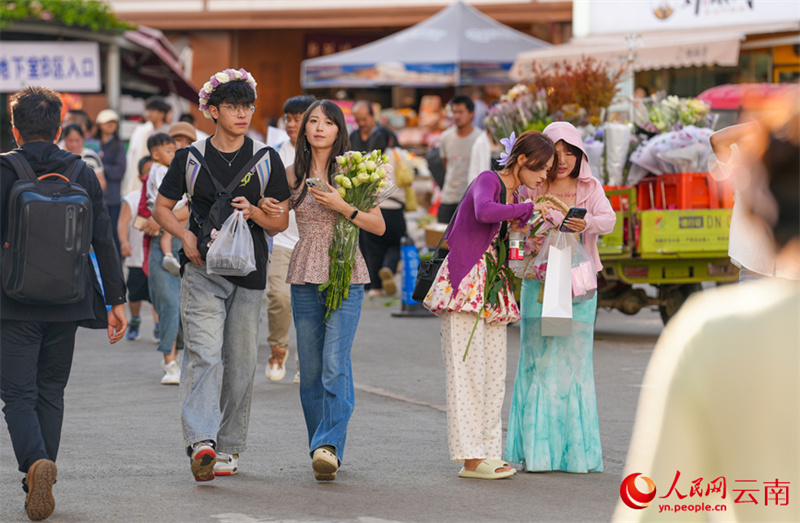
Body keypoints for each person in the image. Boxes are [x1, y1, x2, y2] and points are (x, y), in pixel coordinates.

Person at [612, 104, 799, 523]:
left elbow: (659, 508)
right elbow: (718, 142)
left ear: (754, 200)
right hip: (759, 269)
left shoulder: (709, 330)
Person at [154, 67, 290, 481]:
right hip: (201, 270)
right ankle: (202, 441)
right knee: (204, 354)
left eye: (247, 106)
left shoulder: (267, 159)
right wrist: (184, 236)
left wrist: (258, 214)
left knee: (242, 361)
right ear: (212, 111)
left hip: (250, 273)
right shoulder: (189, 158)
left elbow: (281, 223)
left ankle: (229, 447)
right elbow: (161, 208)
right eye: (232, 107)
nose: (242, 114)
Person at [1, 86, 127, 521]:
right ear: (59, 128)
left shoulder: (4, 170)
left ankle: (35, 464)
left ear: (15, 127)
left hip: (11, 302)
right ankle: (38, 474)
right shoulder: (81, 171)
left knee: (18, 393)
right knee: (50, 392)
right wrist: (116, 300)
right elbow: (103, 239)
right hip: (69, 301)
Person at [422, 130, 558, 480]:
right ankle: (470, 459)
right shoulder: (488, 179)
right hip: (466, 281)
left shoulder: (516, 195)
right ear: (522, 160)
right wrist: (529, 207)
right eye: (542, 169)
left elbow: (511, 245)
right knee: (466, 373)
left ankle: (488, 452)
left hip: (495, 289)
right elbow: (483, 211)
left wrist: (530, 224)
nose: (544, 177)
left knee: (494, 374)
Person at [280, 99, 385, 481]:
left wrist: (344, 205)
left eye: (328, 122)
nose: (319, 127)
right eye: (313, 121)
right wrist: (259, 209)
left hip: (347, 270)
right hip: (305, 271)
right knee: (309, 369)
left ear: (340, 130)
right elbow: (277, 221)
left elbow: (378, 226)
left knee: (334, 363)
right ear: (303, 129)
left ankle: (330, 444)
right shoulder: (292, 174)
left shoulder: (354, 170)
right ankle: (319, 448)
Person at [505, 122, 616, 474]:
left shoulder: (590, 186)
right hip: (538, 287)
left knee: (574, 366)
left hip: (578, 287)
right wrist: (521, 249)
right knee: (537, 363)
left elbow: (608, 219)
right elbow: (515, 237)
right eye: (558, 152)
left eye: (572, 152)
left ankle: (576, 455)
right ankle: (539, 455)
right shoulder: (532, 186)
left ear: (581, 153)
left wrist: (586, 225)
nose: (564, 160)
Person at [265, 94, 316, 383]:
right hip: (283, 239)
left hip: (315, 242)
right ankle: (277, 350)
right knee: (279, 298)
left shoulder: (326, 155)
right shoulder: (274, 153)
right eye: (289, 118)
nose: (293, 123)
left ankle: (304, 360)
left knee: (310, 304)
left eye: (299, 118)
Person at [142, 132, 185, 385]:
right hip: (160, 244)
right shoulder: (160, 172)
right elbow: (145, 212)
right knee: (169, 302)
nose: (177, 150)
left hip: (185, 241)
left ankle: (176, 356)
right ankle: (169, 361)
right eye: (171, 147)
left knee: (183, 308)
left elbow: (187, 208)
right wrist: (160, 218)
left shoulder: (193, 171)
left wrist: (161, 218)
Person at [350, 101, 404, 298]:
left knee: (373, 245)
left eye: (364, 119)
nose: (361, 123)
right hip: (368, 202)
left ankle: (374, 285)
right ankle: (376, 277)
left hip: (375, 201)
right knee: (374, 243)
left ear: (373, 117)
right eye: (358, 120)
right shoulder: (353, 137)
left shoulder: (384, 141)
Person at [118, 156, 159, 342]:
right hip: (136, 256)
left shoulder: (164, 201)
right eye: (147, 173)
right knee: (134, 294)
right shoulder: (132, 199)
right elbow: (123, 222)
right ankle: (134, 319)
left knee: (158, 294)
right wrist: (124, 242)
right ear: (140, 176)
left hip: (156, 257)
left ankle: (160, 325)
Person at [438, 95, 482, 223]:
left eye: (461, 112)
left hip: (470, 200)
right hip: (448, 197)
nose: (456, 116)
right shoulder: (446, 137)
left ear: (471, 114)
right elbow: (446, 164)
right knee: (443, 239)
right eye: (454, 112)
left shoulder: (480, 139)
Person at [122, 97, 171, 196]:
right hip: (142, 172)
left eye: (152, 110)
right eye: (147, 110)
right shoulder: (140, 131)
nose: (148, 113)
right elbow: (132, 155)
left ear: (162, 113)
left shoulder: (169, 132)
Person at [95, 109, 126, 254]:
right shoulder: (92, 143)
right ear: (100, 124)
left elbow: (119, 171)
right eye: (107, 122)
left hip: (112, 197)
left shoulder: (118, 145)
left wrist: (100, 167)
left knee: (112, 233)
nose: (111, 125)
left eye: (113, 122)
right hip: (94, 195)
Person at [61, 123, 106, 191]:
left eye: (77, 140)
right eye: (70, 140)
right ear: (64, 139)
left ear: (83, 139)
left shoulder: (92, 156)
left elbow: (102, 183)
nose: (74, 144)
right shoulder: (61, 156)